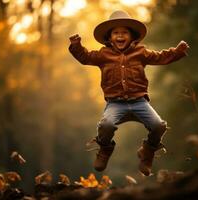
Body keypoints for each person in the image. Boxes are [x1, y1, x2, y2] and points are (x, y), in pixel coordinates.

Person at [69, 10, 189, 176]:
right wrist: (76, 46)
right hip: (115, 103)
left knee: (159, 125)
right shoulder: (104, 55)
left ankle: (147, 152)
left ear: (132, 36)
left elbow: (160, 57)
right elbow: (86, 57)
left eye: (124, 32)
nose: (120, 36)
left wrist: (177, 52)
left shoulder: (141, 52)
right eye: (116, 33)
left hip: (139, 102)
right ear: (109, 37)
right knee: (106, 125)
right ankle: (105, 149)